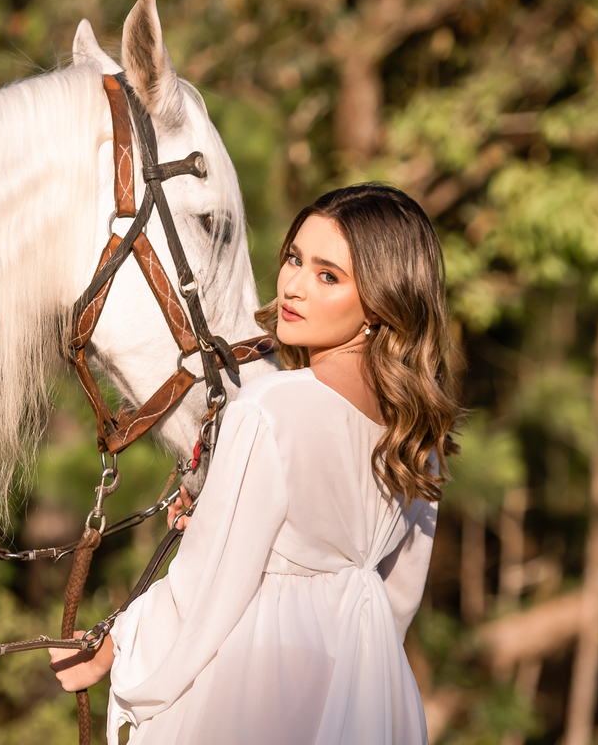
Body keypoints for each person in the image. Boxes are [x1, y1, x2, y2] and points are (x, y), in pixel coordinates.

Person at [49, 183, 460, 745]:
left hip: (254, 688)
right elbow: (395, 597)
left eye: (328, 276)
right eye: (295, 258)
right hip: (361, 689)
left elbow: (205, 586)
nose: (292, 285)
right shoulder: (418, 435)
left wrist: (112, 646)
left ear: (383, 303)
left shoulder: (272, 406)